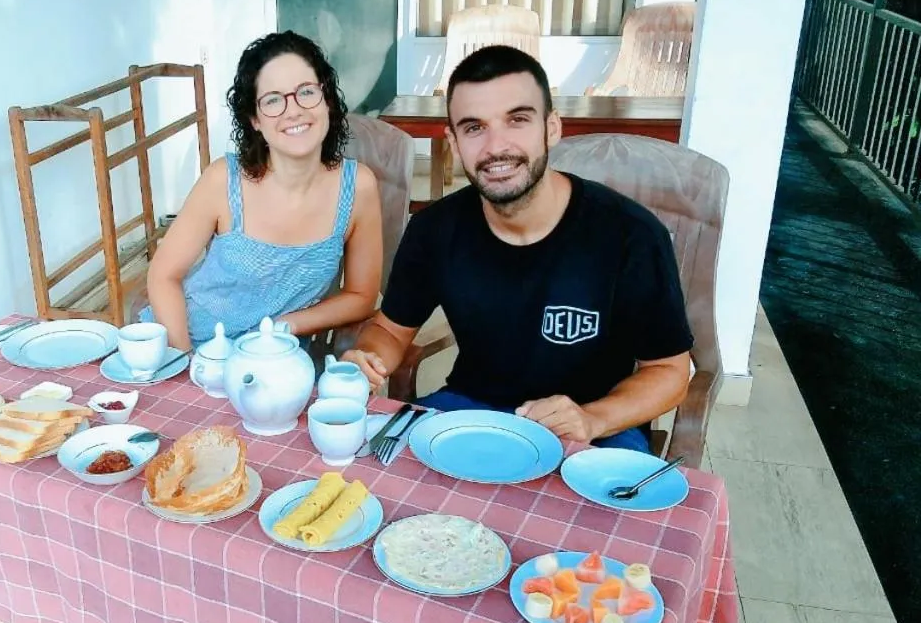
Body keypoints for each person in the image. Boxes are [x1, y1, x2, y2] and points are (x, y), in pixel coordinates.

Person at [342, 46, 691, 452]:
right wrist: (367, 357)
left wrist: (594, 417)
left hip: (596, 426)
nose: (496, 146)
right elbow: (389, 329)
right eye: (474, 128)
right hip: (469, 410)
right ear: (454, 143)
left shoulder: (629, 234)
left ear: (552, 127)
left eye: (517, 120)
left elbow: (669, 370)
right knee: (375, 475)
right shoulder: (434, 229)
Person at [144, 31, 382, 352]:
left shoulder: (358, 187)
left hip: (273, 359)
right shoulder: (223, 180)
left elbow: (361, 298)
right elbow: (163, 276)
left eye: (306, 92)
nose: (293, 110)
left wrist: (283, 326)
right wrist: (183, 365)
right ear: (255, 120)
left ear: (326, 100)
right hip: (187, 345)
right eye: (273, 100)